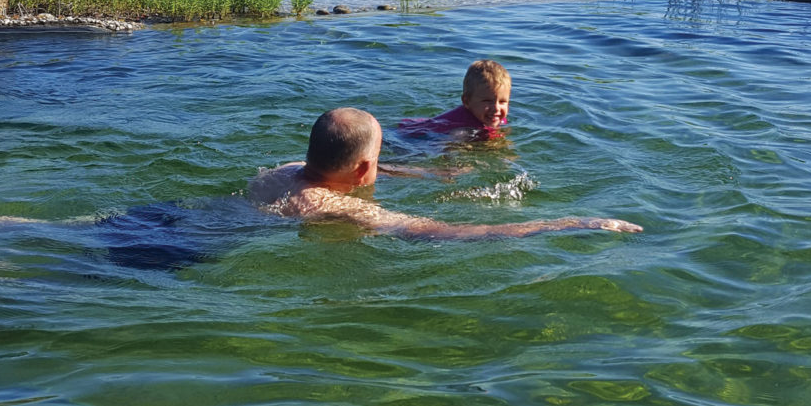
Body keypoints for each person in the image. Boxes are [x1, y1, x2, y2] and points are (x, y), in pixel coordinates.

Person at [249, 107, 642, 239]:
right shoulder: (335, 207)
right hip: (193, 257)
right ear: (362, 167)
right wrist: (572, 222)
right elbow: (448, 233)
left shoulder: (286, 172)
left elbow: (362, 170)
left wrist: (422, 173)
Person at [399, 60, 511, 140]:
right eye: (487, 101)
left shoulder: (494, 117)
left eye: (502, 102)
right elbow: (447, 147)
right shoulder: (463, 130)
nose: (496, 108)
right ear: (466, 101)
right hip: (413, 136)